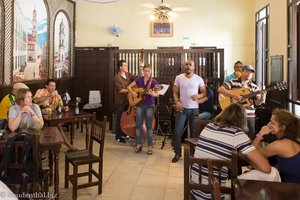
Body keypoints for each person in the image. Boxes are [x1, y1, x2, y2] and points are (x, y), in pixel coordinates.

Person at [192, 103, 274, 200]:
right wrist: (261, 134)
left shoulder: (209, 126)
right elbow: (266, 168)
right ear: (243, 119)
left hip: (195, 190)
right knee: (273, 173)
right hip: (216, 194)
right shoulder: (236, 133)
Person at [218, 64, 267, 140]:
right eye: (246, 71)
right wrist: (233, 95)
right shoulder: (232, 82)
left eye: (251, 73)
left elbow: (257, 103)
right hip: (235, 114)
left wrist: (262, 98)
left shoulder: (254, 87)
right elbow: (220, 89)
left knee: (250, 135)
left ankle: (248, 151)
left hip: (249, 115)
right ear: (241, 72)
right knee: (234, 136)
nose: (249, 74)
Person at [172, 60, 207, 163]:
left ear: (194, 67)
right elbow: (174, 92)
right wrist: (177, 101)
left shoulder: (199, 79)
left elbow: (204, 93)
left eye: (190, 65)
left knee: (194, 133)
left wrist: (198, 95)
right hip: (181, 109)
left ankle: (192, 154)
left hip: (194, 110)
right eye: (186, 64)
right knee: (177, 131)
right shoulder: (179, 78)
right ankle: (177, 153)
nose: (188, 66)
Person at [253, 109, 300, 184]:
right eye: (270, 121)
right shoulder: (294, 138)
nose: (268, 125)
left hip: (294, 187)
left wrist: (260, 134)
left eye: (272, 123)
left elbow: (253, 154)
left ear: (283, 127)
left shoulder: (280, 145)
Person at [33, 79, 75, 151]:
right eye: (51, 85)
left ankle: (61, 146)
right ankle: (67, 146)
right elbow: (35, 100)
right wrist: (50, 97)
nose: (53, 87)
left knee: (57, 126)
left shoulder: (57, 95)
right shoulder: (41, 91)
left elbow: (60, 106)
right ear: (46, 86)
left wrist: (64, 108)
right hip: (39, 117)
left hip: (51, 117)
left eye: (54, 86)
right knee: (58, 127)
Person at [127, 64, 158, 155]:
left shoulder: (153, 81)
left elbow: (157, 93)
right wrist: (133, 93)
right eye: (145, 71)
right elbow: (129, 87)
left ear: (151, 71)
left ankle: (149, 146)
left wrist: (153, 94)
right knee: (138, 125)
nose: (147, 73)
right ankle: (139, 144)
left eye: (148, 71)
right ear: (143, 71)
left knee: (149, 126)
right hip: (140, 105)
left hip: (150, 106)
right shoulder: (139, 79)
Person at [114, 60, 136, 143]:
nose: (126, 67)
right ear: (120, 67)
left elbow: (137, 79)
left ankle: (124, 133)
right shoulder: (117, 77)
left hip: (128, 101)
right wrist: (130, 90)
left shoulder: (128, 74)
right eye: (125, 65)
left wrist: (141, 67)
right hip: (120, 101)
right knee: (120, 119)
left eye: (126, 65)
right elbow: (120, 90)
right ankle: (118, 136)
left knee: (125, 119)